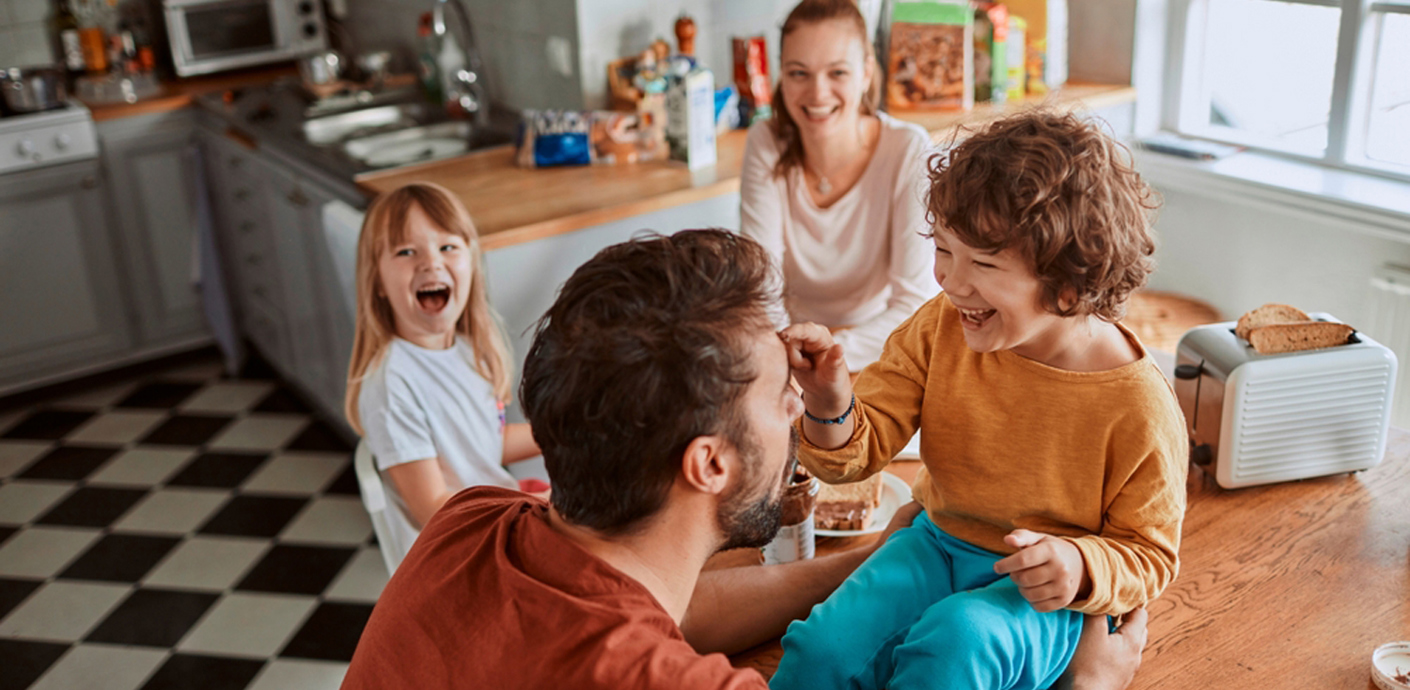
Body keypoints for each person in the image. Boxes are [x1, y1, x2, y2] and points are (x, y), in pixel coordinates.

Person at [342, 229, 1150, 690]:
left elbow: (661, 610)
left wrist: (874, 560)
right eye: (777, 396)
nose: (800, 404)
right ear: (710, 465)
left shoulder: (470, 524)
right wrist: (1093, 688)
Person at [772, 111, 1187, 690]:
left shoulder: (1137, 403)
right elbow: (856, 453)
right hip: (936, 545)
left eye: (985, 264)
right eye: (943, 249)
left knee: (955, 642)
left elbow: (1150, 553)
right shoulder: (939, 326)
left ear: (1068, 285)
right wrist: (829, 398)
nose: (950, 281)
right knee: (822, 649)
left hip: (1043, 595)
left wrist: (1078, 565)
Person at [344, 182, 542, 563]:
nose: (430, 263)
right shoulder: (392, 383)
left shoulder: (466, 350)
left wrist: (562, 433)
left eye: (447, 246)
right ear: (378, 283)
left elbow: (484, 443)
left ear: (471, 260)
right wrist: (532, 507)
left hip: (494, 523)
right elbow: (434, 510)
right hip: (458, 556)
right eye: (406, 251)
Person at [740, 0, 938, 372]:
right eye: (799, 73)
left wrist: (823, 350)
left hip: (880, 353)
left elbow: (914, 306)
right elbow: (760, 288)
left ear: (865, 73)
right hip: (788, 353)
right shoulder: (765, 141)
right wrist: (795, 356)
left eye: (837, 73)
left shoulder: (907, 148)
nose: (817, 93)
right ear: (781, 75)